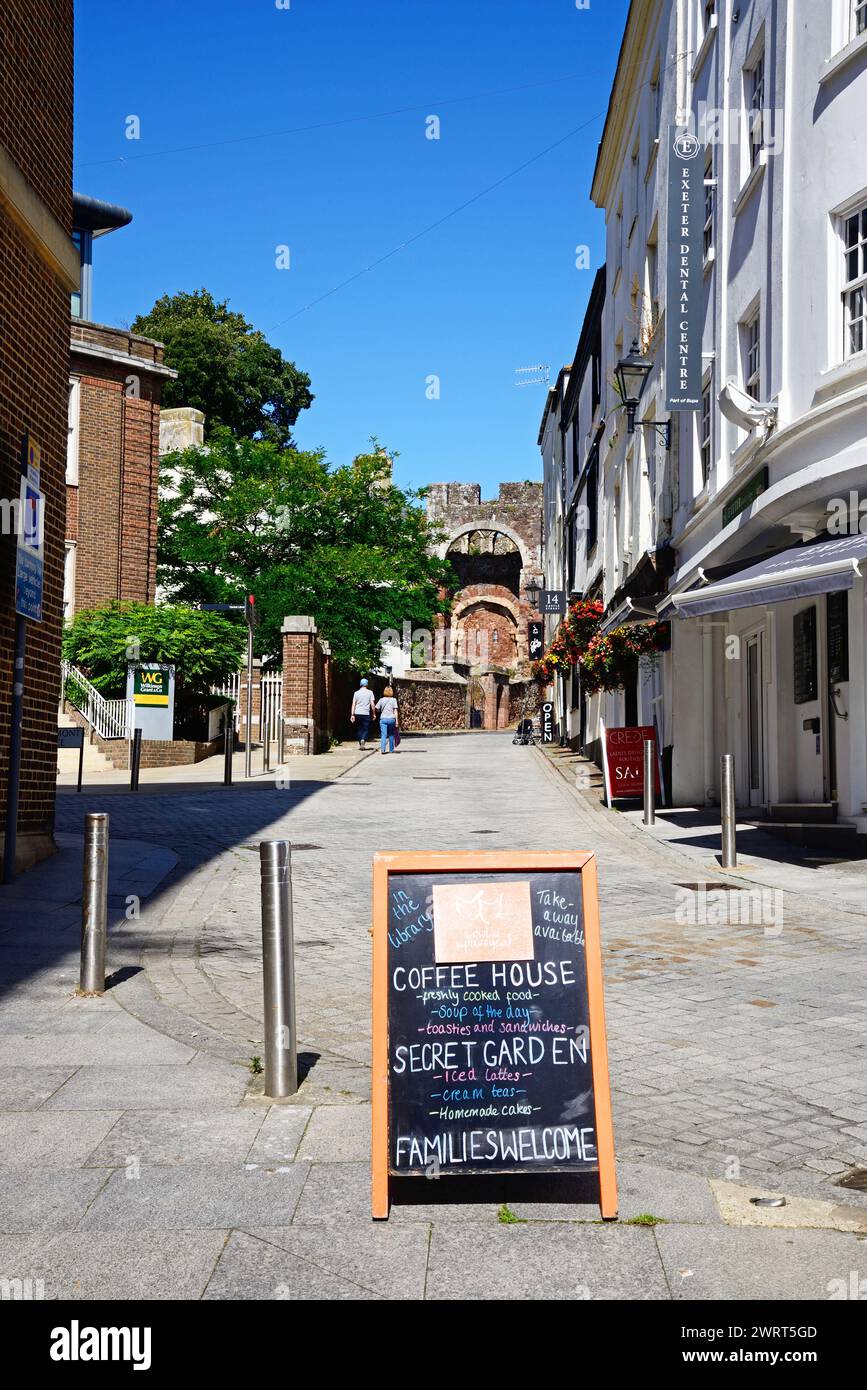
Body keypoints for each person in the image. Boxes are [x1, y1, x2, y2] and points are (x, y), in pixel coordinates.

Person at [350, 677, 376, 749]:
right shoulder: (370, 693)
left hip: (357, 713)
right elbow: (372, 704)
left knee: (359, 729)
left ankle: (360, 741)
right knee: (366, 728)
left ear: (360, 684)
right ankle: (363, 739)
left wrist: (352, 714)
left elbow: (353, 704)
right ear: (367, 685)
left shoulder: (356, 693)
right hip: (366, 714)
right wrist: (374, 713)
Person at [376, 686, 399, 754]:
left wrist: (379, 710)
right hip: (391, 719)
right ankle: (391, 750)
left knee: (383, 735)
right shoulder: (394, 700)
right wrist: (397, 721)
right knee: (391, 734)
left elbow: (376, 708)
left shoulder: (381, 700)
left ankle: (383, 750)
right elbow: (395, 711)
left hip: (383, 719)